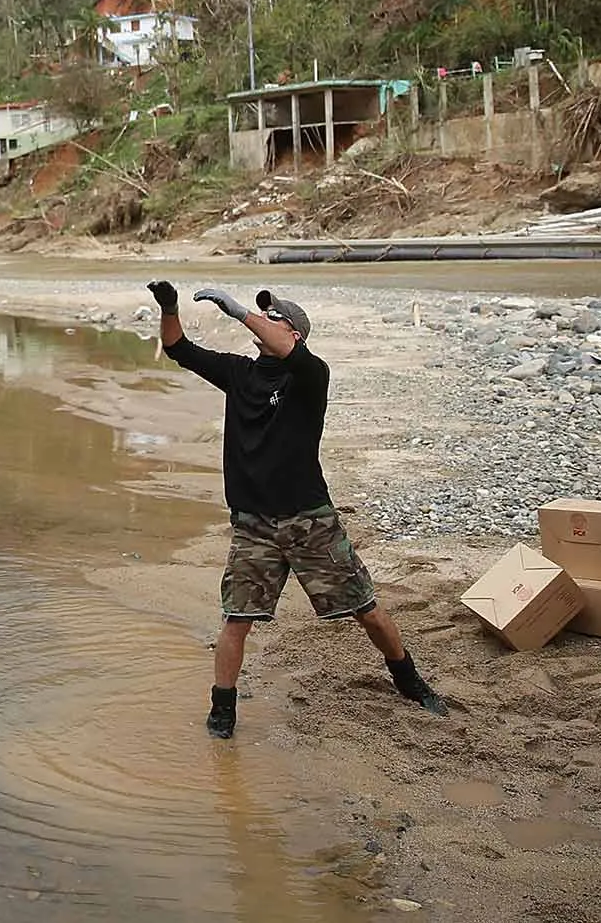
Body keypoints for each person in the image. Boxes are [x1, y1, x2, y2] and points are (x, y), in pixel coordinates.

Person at [147, 280, 448, 739]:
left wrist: (238, 311)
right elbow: (178, 349)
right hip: (253, 526)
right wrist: (170, 308)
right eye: (264, 315)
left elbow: (283, 345)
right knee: (236, 618)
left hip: (311, 521)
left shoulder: (310, 376)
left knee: (365, 608)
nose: (264, 319)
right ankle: (223, 709)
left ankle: (408, 679)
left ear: (295, 336)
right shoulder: (239, 374)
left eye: (275, 316)